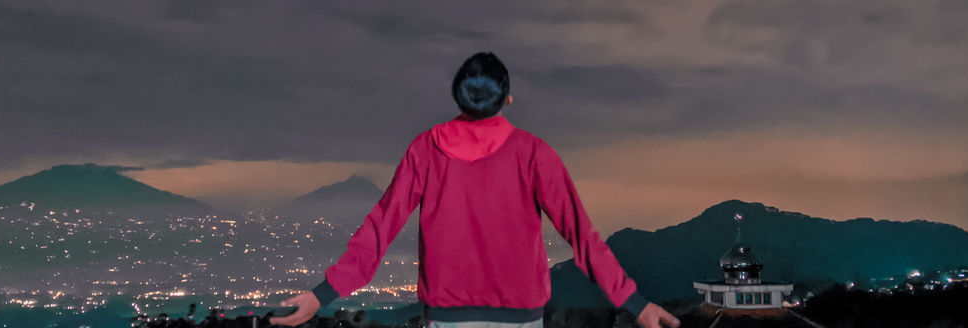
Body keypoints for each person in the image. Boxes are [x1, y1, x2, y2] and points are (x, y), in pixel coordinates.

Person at [269, 52, 680, 328]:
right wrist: (636, 305)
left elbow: (380, 229)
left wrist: (322, 295)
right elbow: (583, 238)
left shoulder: (425, 149)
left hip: (446, 318)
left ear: (459, 98)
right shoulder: (534, 154)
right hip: (521, 318)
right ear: (507, 99)